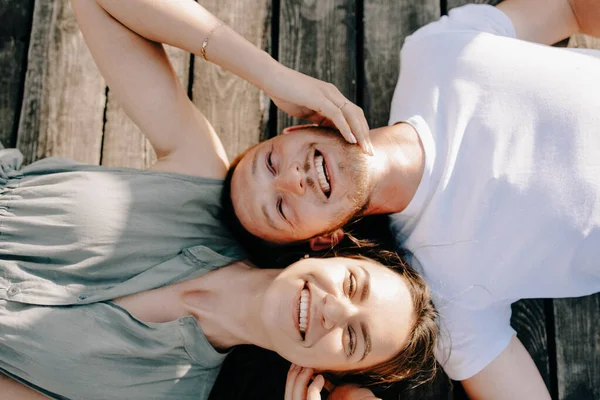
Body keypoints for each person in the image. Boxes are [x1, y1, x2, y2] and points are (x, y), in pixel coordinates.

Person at [0, 0, 440, 399]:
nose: (334, 309)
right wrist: (272, 75)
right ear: (330, 252)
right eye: (350, 284)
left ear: (323, 372)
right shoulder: (199, 181)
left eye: (351, 340)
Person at [223, 0, 600, 398]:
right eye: (280, 209)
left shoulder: (432, 51)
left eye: (268, 164)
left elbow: (572, 10)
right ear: (322, 241)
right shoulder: (450, 295)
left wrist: (270, 73)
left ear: (292, 133)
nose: (290, 180)